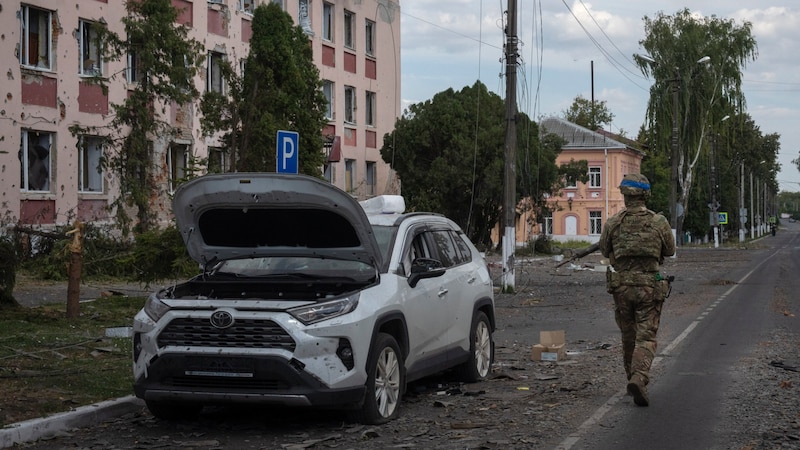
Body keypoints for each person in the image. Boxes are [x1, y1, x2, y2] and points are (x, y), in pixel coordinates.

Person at [598, 173, 676, 407]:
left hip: (621, 288)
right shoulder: (658, 222)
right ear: (645, 195)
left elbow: (604, 250)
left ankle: (630, 380)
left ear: (624, 195)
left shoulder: (613, 222)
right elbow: (670, 250)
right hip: (649, 288)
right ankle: (639, 377)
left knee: (628, 337)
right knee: (646, 337)